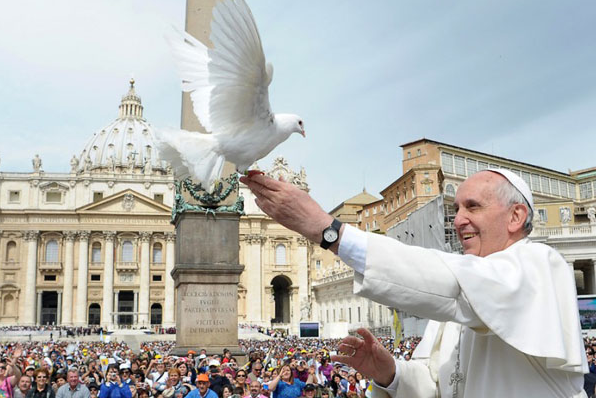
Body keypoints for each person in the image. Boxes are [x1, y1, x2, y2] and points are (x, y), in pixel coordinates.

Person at [241, 169, 587, 398]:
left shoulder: (541, 264)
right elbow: (434, 385)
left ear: (516, 216)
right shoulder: (459, 296)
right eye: (456, 208)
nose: (458, 219)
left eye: (473, 207)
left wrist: (327, 230)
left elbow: (450, 283)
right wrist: (389, 371)